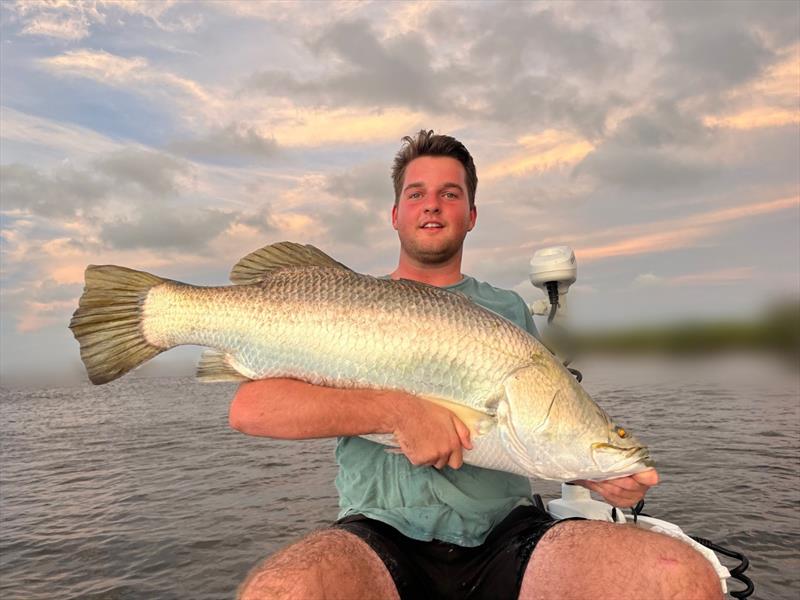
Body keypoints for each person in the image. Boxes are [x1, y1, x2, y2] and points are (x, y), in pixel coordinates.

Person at [228, 131, 722, 599]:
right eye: (417, 194)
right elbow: (251, 410)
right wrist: (398, 413)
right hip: (378, 530)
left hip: (505, 533)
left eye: (450, 193)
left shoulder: (507, 311)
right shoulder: (332, 304)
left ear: (471, 213)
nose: (433, 205)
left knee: (680, 579)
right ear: (396, 213)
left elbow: (533, 426)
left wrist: (597, 474)